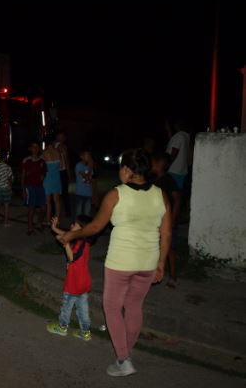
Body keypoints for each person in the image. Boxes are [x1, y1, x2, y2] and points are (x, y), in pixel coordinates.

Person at [59, 148, 171, 377]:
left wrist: (71, 235)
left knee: (112, 307)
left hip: (121, 261)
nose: (120, 171)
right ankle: (126, 353)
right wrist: (161, 263)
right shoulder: (160, 194)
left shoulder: (116, 194)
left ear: (128, 170)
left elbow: (95, 227)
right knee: (133, 306)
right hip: (147, 262)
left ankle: (123, 358)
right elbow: (166, 234)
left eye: (122, 167)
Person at [46, 214, 94, 341]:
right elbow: (68, 234)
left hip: (74, 282)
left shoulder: (80, 245)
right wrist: (55, 228)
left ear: (82, 229)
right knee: (83, 308)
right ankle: (85, 332)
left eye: (75, 224)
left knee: (66, 306)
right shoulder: (84, 241)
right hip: (83, 281)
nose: (71, 225)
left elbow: (72, 258)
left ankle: (62, 327)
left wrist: (65, 243)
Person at [150, 152, 181, 288]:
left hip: (167, 220)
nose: (151, 165)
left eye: (153, 163)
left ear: (159, 165)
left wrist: (173, 218)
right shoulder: (153, 180)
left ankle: (173, 277)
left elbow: (177, 198)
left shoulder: (168, 180)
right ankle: (154, 274)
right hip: (156, 220)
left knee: (170, 249)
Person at [22, 141, 47, 235]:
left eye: (37, 147)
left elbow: (44, 173)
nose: (35, 149)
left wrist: (42, 177)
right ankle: (30, 228)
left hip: (39, 187)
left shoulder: (42, 161)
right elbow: (23, 176)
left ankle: (39, 223)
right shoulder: (26, 161)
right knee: (31, 208)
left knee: (44, 208)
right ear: (30, 149)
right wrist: (23, 189)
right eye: (33, 147)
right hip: (30, 187)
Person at [165, 119, 191, 191]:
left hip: (173, 170)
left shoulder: (178, 136)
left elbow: (174, 153)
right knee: (178, 193)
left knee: (171, 193)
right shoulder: (186, 136)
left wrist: (166, 166)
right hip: (182, 170)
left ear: (177, 125)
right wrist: (168, 130)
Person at [42, 140, 62, 225]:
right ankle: (57, 219)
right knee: (57, 201)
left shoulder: (44, 153)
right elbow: (61, 166)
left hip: (48, 179)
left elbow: (42, 166)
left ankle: (47, 220)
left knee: (48, 202)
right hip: (56, 178)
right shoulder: (58, 152)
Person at [0, 149, 13, 226]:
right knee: (6, 205)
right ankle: (6, 222)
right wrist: (10, 188)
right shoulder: (8, 167)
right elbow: (10, 179)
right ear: (5, 157)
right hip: (6, 188)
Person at [54, 131, 72, 217]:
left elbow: (67, 161)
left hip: (63, 172)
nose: (61, 138)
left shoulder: (65, 147)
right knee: (55, 193)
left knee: (65, 193)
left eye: (63, 137)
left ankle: (67, 212)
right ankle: (55, 212)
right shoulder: (53, 146)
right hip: (55, 172)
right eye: (59, 136)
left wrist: (68, 174)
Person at [74, 149, 94, 216]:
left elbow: (90, 179)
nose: (89, 157)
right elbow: (86, 177)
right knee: (79, 213)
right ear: (81, 156)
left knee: (87, 213)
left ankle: (85, 226)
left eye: (89, 155)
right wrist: (90, 167)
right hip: (80, 192)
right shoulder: (78, 166)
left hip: (88, 193)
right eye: (87, 155)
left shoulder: (90, 166)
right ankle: (77, 226)